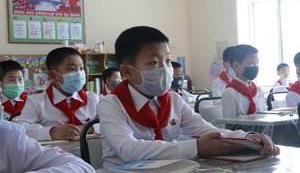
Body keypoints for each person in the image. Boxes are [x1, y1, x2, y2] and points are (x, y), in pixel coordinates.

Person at [98, 26, 279, 168]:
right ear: (127, 71)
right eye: (154, 62)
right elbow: (128, 150)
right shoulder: (111, 104)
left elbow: (207, 130)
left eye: (167, 61)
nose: (165, 69)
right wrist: (196, 147)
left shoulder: (173, 100)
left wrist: (249, 137)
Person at [17, 47, 99, 141]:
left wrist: (89, 128)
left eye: (81, 68)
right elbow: (21, 129)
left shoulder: (93, 99)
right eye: (71, 69)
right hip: (53, 153)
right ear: (53, 75)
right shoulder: (36, 102)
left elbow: (112, 123)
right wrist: (52, 132)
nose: (79, 73)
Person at [221, 44, 267, 118]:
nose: (255, 67)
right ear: (236, 66)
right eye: (252, 63)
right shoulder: (230, 93)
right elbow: (229, 123)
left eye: (257, 63)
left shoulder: (257, 90)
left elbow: (265, 115)